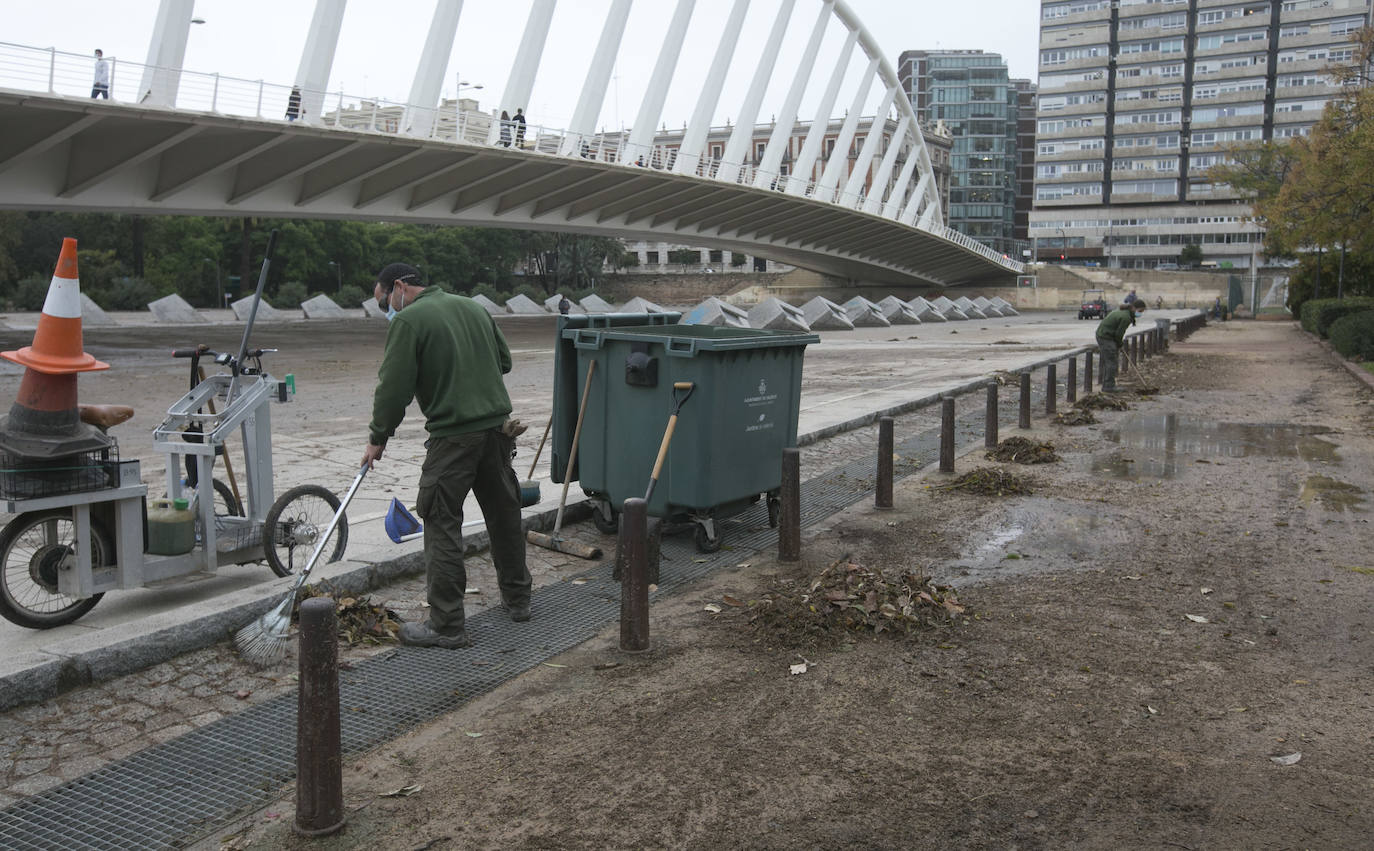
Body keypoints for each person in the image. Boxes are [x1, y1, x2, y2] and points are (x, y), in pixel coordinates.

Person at [361, 263, 531, 649]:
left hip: (454, 438)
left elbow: (393, 388)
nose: (387, 308)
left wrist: (377, 438)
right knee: (504, 516)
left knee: (440, 521)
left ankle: (447, 624)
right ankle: (519, 601)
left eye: (384, 300)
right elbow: (503, 361)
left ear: (400, 287)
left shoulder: (408, 322)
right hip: (497, 431)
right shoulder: (473, 307)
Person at [1095, 297, 1146, 393]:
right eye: (1140, 311)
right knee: (1112, 362)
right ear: (1134, 308)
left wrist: (1118, 344)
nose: (1140, 313)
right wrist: (1119, 344)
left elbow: (1117, 333)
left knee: (1111, 361)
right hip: (1105, 337)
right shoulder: (1125, 317)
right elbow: (1119, 334)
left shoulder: (1125, 312)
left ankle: (1108, 384)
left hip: (1105, 335)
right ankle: (1108, 387)